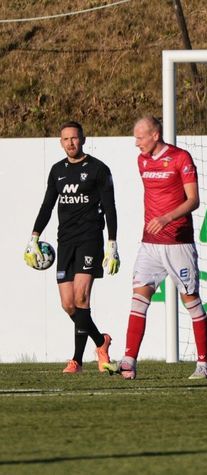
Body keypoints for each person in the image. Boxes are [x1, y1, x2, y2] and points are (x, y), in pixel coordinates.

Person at [105, 116, 207, 380]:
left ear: (155, 135)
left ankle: (203, 364)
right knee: (139, 299)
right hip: (150, 245)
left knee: (191, 302)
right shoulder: (142, 161)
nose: (136, 143)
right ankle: (129, 362)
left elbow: (194, 200)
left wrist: (166, 218)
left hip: (177, 242)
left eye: (140, 137)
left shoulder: (180, 158)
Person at [24, 121, 118, 374]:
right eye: (66, 139)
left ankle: (76, 360)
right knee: (68, 304)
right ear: (60, 142)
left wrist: (112, 243)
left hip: (90, 239)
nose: (71, 143)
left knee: (81, 297)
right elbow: (47, 206)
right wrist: (34, 236)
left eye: (75, 138)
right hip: (64, 241)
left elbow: (110, 208)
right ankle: (101, 341)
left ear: (83, 139)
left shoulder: (98, 169)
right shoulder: (57, 171)